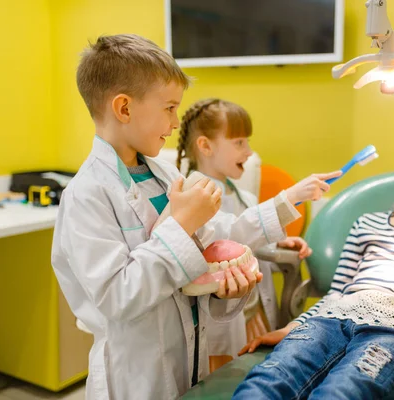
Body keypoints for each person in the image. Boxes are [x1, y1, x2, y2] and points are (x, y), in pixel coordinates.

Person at [50, 34, 340, 400]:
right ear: (124, 109)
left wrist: (225, 288)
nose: (175, 123)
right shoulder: (86, 195)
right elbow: (118, 296)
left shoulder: (167, 177)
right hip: (133, 376)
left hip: (189, 358)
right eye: (169, 108)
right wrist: (180, 225)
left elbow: (219, 239)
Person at [233, 120, 394, 400]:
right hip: (329, 322)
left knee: (344, 392)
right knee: (267, 381)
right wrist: (296, 326)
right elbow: (337, 293)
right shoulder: (367, 225)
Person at [176, 98, 312, 371]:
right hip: (219, 324)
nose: (249, 152)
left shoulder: (245, 197)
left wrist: (276, 245)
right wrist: (288, 200)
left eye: (247, 142)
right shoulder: (191, 198)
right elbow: (228, 235)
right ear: (205, 146)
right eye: (239, 142)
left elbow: (247, 247)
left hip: (252, 315)